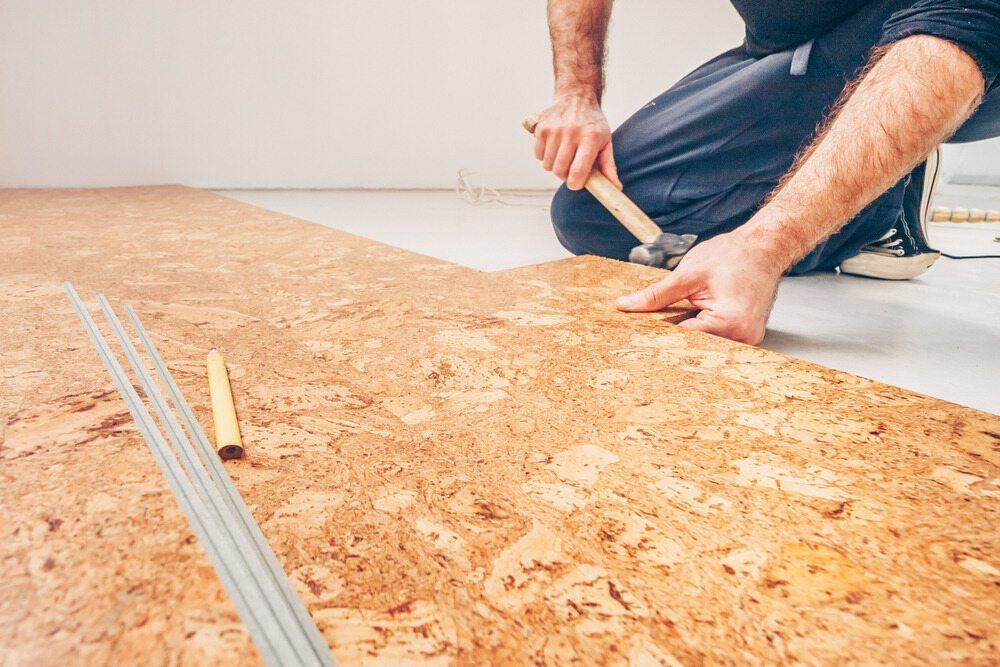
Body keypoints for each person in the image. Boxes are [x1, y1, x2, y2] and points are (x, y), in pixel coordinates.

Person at [534, 0, 999, 344]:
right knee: (590, 217)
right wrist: (577, 92)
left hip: (944, 35)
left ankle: (895, 158)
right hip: (790, 51)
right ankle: (871, 175)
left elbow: (967, 18)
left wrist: (762, 250)